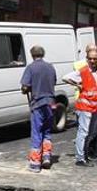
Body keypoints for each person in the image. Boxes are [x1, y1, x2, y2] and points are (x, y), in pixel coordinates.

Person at [64, 44, 97, 166]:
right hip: (85, 106)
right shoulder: (83, 70)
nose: (92, 61)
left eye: (95, 59)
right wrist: (77, 84)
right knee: (83, 132)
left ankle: (85, 154)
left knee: (92, 133)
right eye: (90, 59)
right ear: (87, 58)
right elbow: (65, 78)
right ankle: (80, 158)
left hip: (96, 107)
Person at [20, 45, 57, 173]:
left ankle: (35, 163)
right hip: (51, 103)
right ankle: (46, 156)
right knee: (47, 131)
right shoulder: (50, 67)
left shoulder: (31, 68)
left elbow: (25, 87)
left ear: (32, 55)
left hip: (38, 103)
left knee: (36, 132)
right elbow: (53, 82)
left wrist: (27, 89)